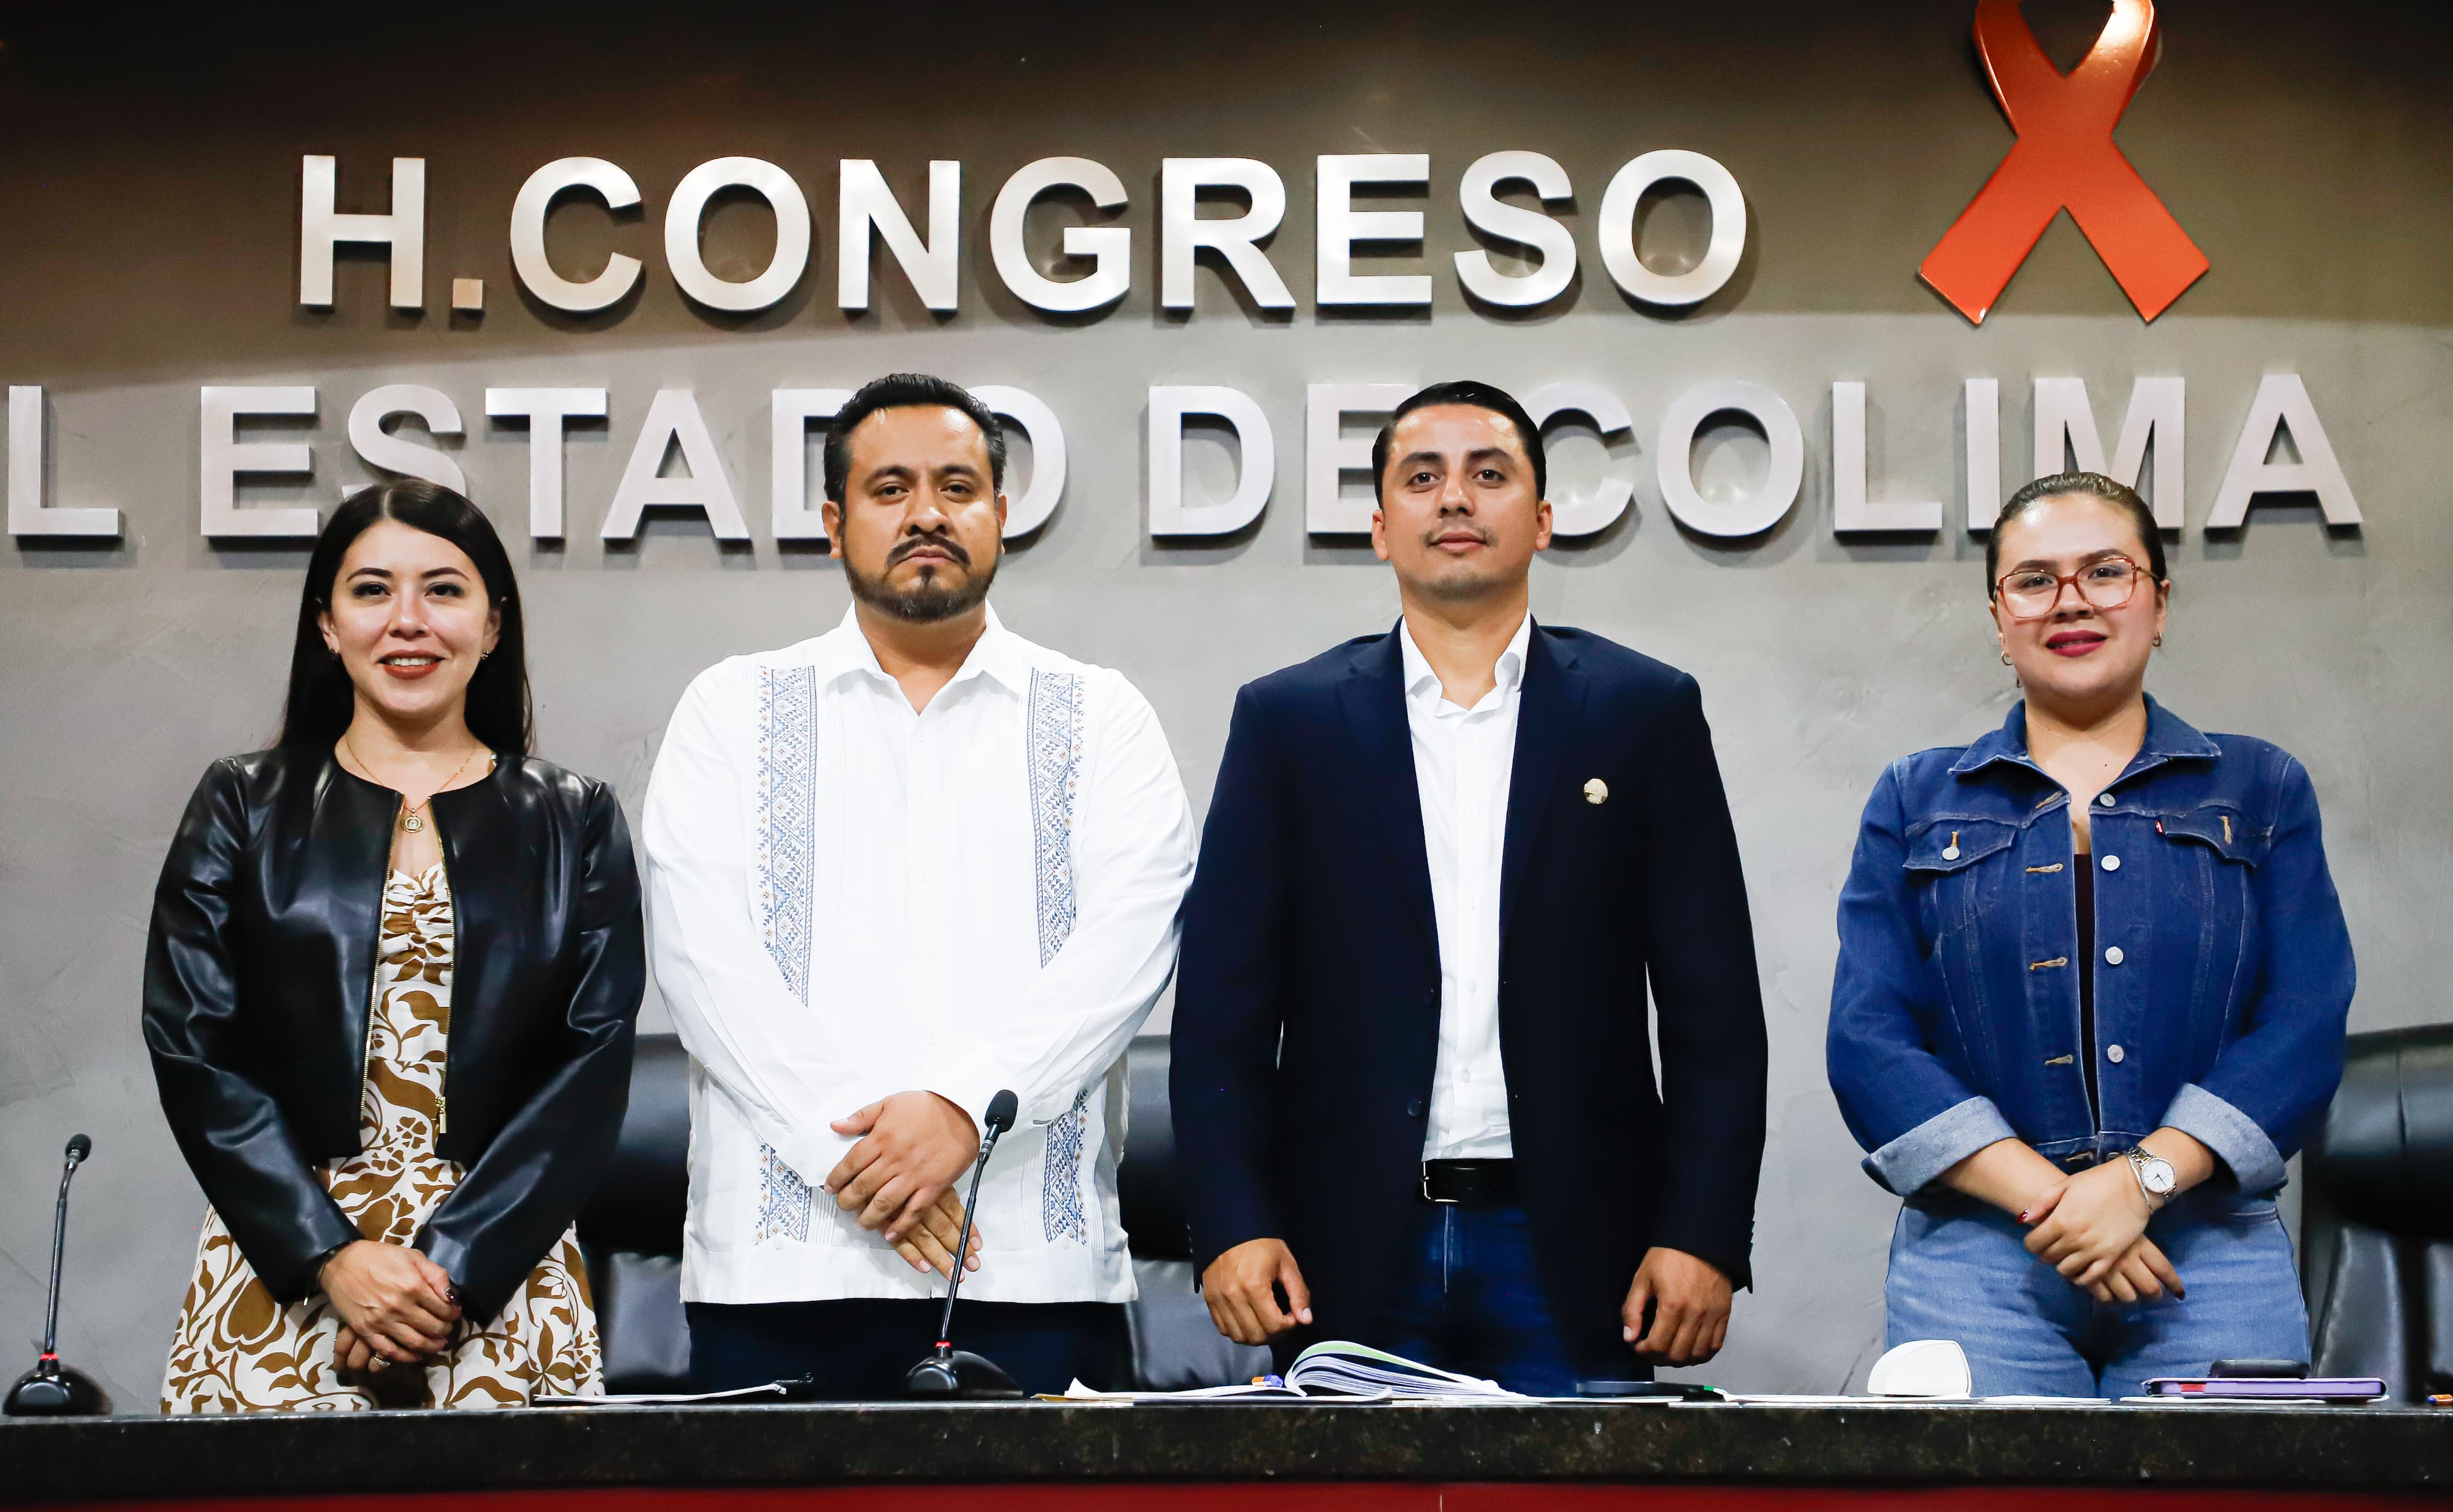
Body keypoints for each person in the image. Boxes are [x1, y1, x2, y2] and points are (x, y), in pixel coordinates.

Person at [1170, 381, 1768, 1394]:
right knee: (1351, 1509)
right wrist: (1231, 1225)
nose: (1455, 498)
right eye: (1422, 478)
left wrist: (1703, 1233)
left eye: (1489, 475)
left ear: (1542, 520)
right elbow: (1221, 1014)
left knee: (1581, 1506)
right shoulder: (1289, 722)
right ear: (1380, 528)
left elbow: (1715, 1012)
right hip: (1347, 1250)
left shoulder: (1643, 711)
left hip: (1580, 1249)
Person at [646, 373, 1194, 1399]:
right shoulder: (731, 709)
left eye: (958, 487)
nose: (927, 514)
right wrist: (859, 1159)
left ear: (1001, 514)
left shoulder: (1100, 716)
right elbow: (702, 960)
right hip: (783, 1273)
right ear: (834, 523)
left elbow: (1131, 945)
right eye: (890, 488)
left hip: (1031, 1269)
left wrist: (961, 1113)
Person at [1828, 471, 2354, 1397]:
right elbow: (1869, 1041)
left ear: (2160, 602)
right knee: (1988, 1497)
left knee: (2228, 1497)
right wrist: (2065, 1204)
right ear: (2000, 620)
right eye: (2034, 580)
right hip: (1980, 1252)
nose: (2071, 601)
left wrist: (2141, 1182)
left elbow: (2304, 1023)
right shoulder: (1915, 797)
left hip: (2210, 1250)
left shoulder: (2261, 787)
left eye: (2106, 571)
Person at [147, 483, 643, 1411]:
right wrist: (332, 1258)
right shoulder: (242, 803)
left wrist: (447, 1276)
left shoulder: (575, 818)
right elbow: (193, 1044)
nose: (407, 620)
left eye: (443, 590)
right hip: (284, 1266)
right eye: (372, 590)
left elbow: (589, 1066)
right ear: (327, 624)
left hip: (500, 1273)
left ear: (492, 626)